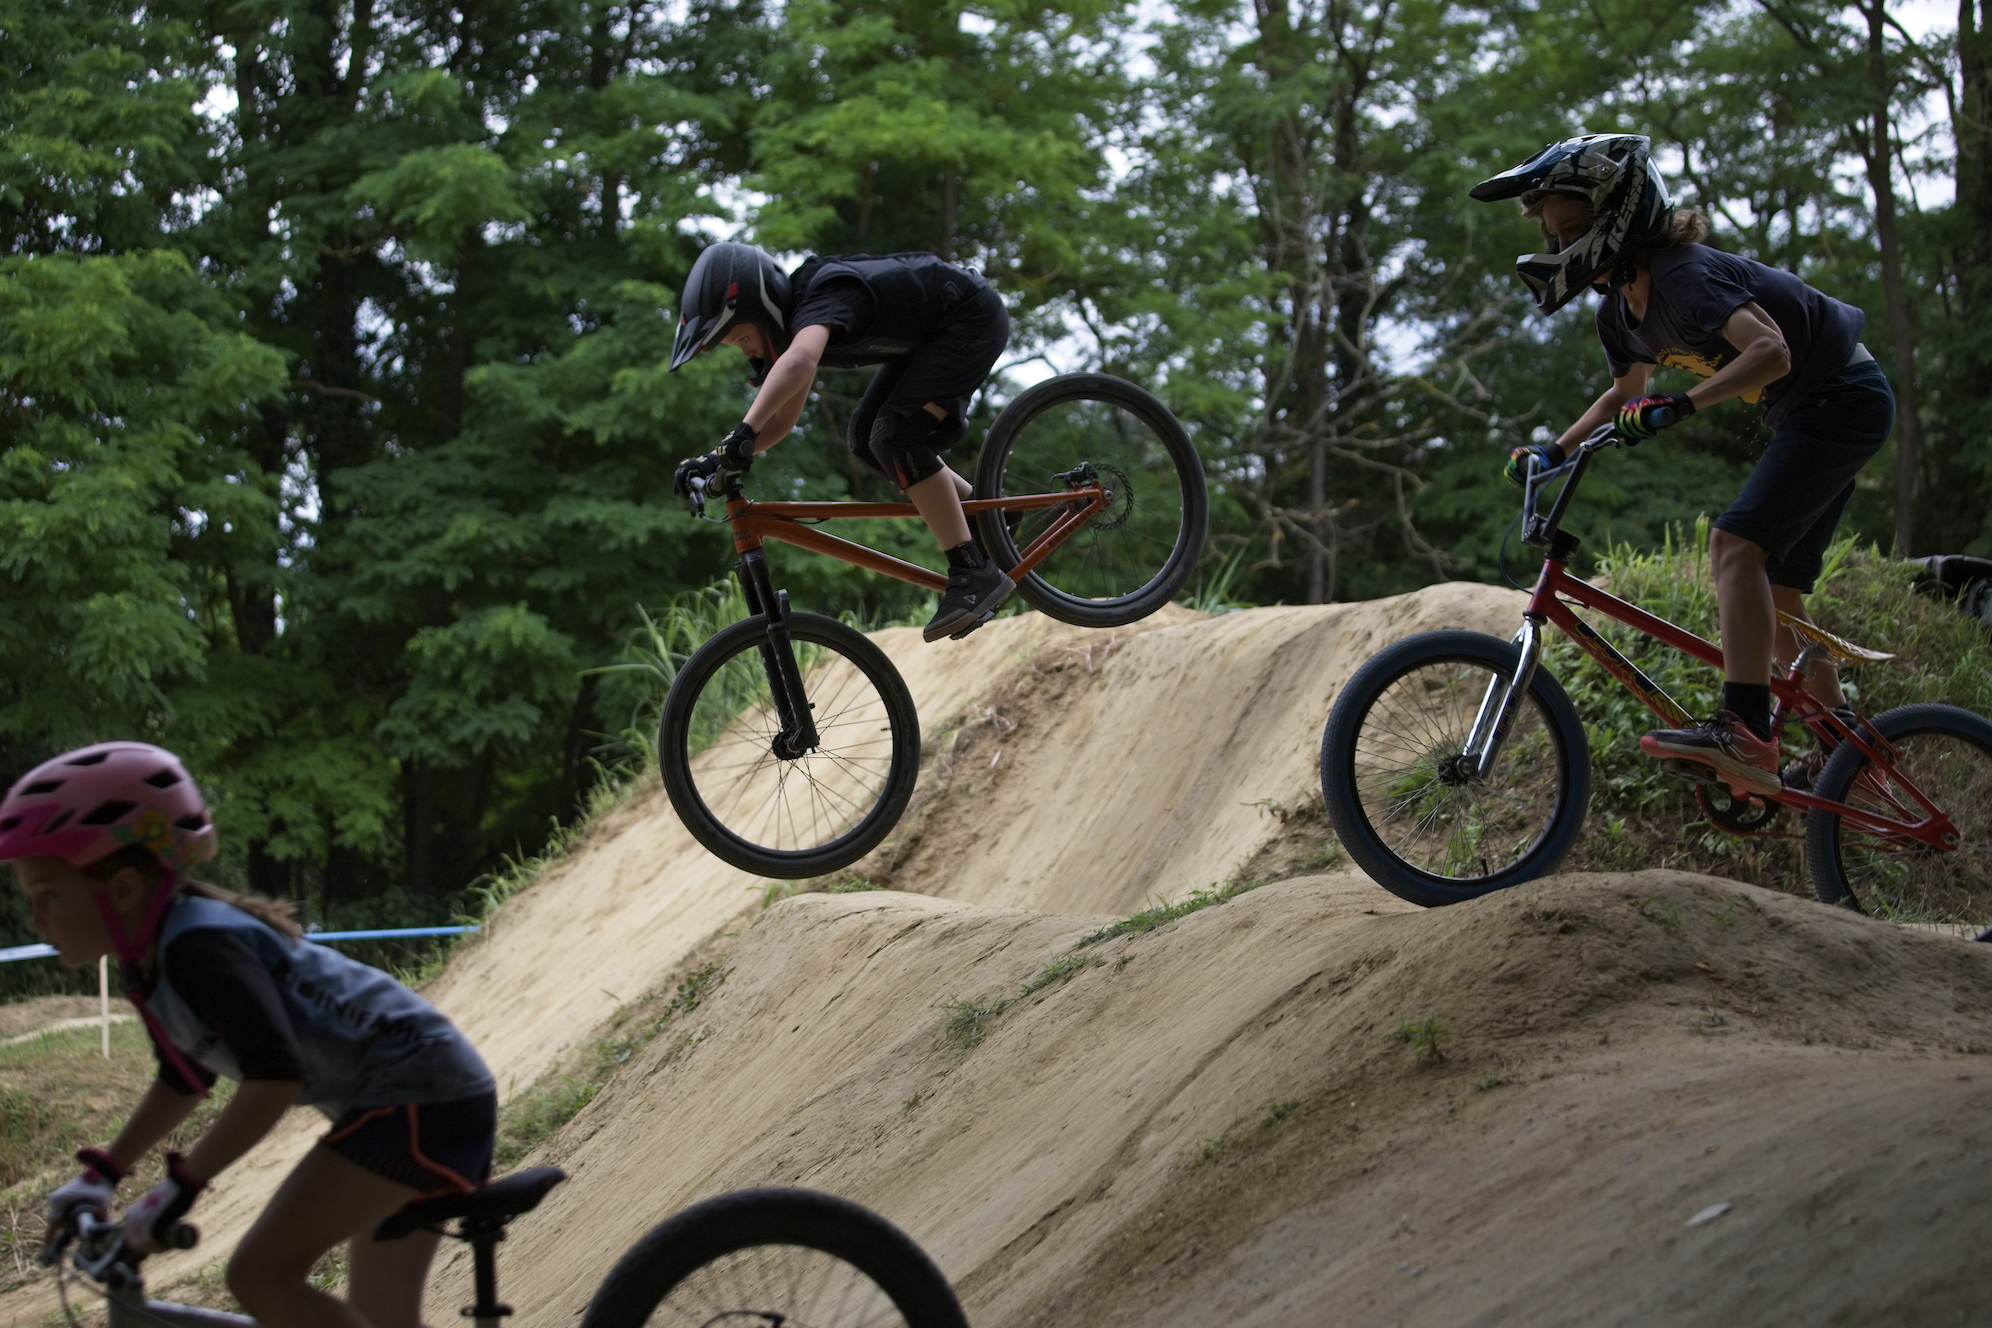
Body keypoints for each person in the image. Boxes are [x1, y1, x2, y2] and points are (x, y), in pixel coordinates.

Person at [5, 742, 495, 1328]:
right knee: (379, 1320)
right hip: (428, 1095)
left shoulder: (198, 946)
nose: (35, 922)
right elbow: (184, 1079)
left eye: (47, 897)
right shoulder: (153, 957)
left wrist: (180, 1188)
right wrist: (102, 1174)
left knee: (259, 1273)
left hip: (419, 1098)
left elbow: (274, 1076)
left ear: (126, 889)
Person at [1472, 134, 1895, 796]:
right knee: (1779, 593)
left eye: (1572, 230)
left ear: (1620, 214)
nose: (1559, 249)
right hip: (1805, 412)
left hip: (1842, 397)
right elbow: (1625, 395)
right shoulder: (1619, 311)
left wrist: (1685, 404)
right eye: (1554, 237)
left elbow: (1772, 353)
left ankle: (1746, 731)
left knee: (1733, 545)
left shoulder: (1683, 275)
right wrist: (1555, 453)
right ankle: (1846, 757)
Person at [667, 242, 1015, 643]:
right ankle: (989, 516)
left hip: (970, 318)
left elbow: (799, 362)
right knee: (867, 439)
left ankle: (972, 570)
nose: (746, 350)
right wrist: (713, 459)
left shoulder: (819, 297)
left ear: (759, 308)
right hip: (933, 335)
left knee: (895, 435)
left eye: (742, 337)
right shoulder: (802, 322)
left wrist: (741, 434)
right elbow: (783, 420)